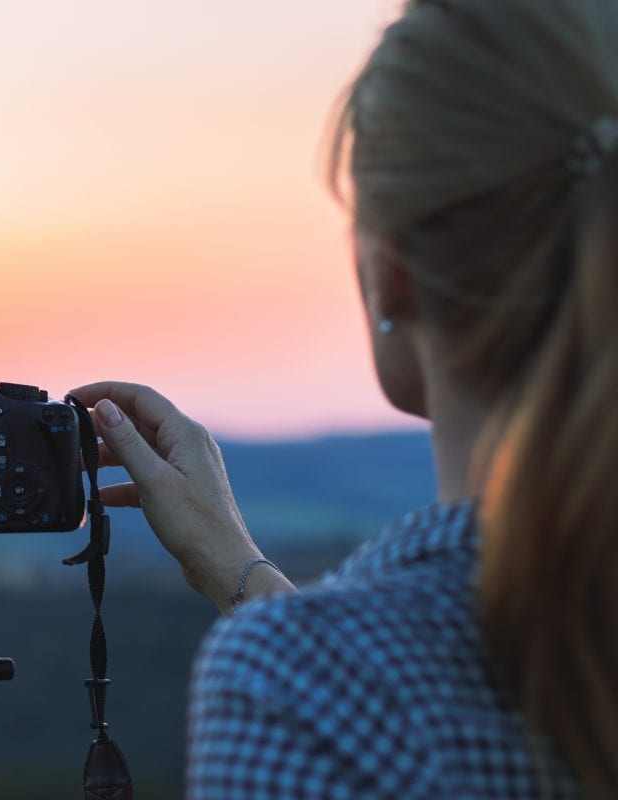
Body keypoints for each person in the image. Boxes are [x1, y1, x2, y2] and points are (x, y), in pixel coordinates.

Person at [71, 0, 618, 796]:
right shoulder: (329, 674)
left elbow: (388, 706)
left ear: (392, 273)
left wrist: (289, 643)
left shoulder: (309, 687)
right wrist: (234, 566)